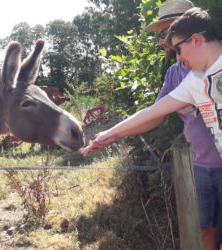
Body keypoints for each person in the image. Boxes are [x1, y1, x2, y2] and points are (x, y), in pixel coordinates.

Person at [80, 3, 222, 250]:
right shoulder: (190, 80)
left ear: (195, 36)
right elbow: (153, 113)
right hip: (202, 165)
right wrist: (110, 134)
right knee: (204, 229)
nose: (164, 42)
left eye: (174, 40)